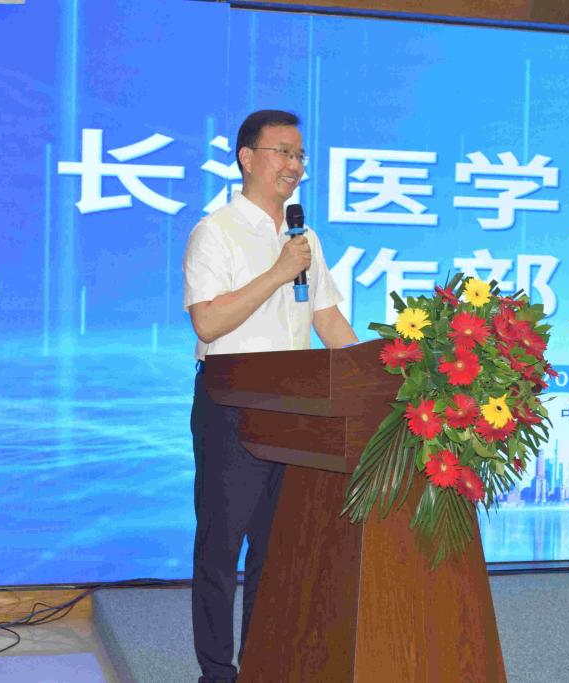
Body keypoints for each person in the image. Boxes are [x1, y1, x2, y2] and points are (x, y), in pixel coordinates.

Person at [183, 109, 357, 682]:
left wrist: (374, 375)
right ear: (247, 157)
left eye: (300, 155)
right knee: (221, 547)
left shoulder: (305, 238)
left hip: (295, 409)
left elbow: (327, 318)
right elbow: (208, 322)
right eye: (283, 152)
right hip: (232, 404)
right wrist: (279, 272)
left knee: (275, 550)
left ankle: (261, 664)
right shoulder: (216, 232)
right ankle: (217, 672)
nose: (294, 165)